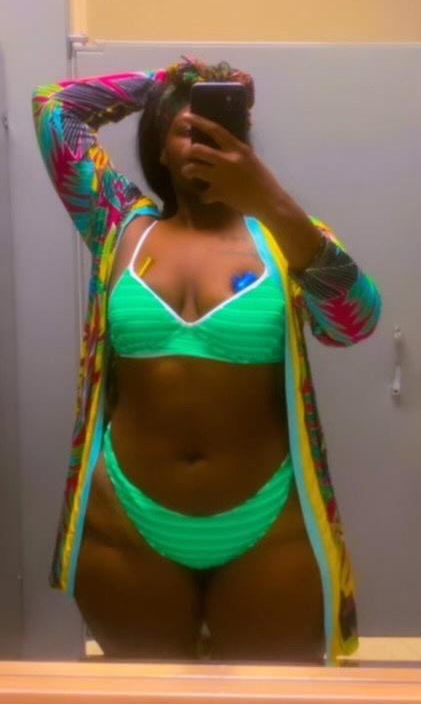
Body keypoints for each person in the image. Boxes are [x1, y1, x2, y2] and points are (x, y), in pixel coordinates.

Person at [31, 56, 382, 665]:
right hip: (127, 524)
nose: (205, 141)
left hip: (269, 527)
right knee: (148, 696)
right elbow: (54, 107)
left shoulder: (284, 235)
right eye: (188, 129)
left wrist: (269, 199)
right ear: (160, 148)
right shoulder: (119, 225)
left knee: (269, 697)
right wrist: (162, 83)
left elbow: (355, 322)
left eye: (223, 129)